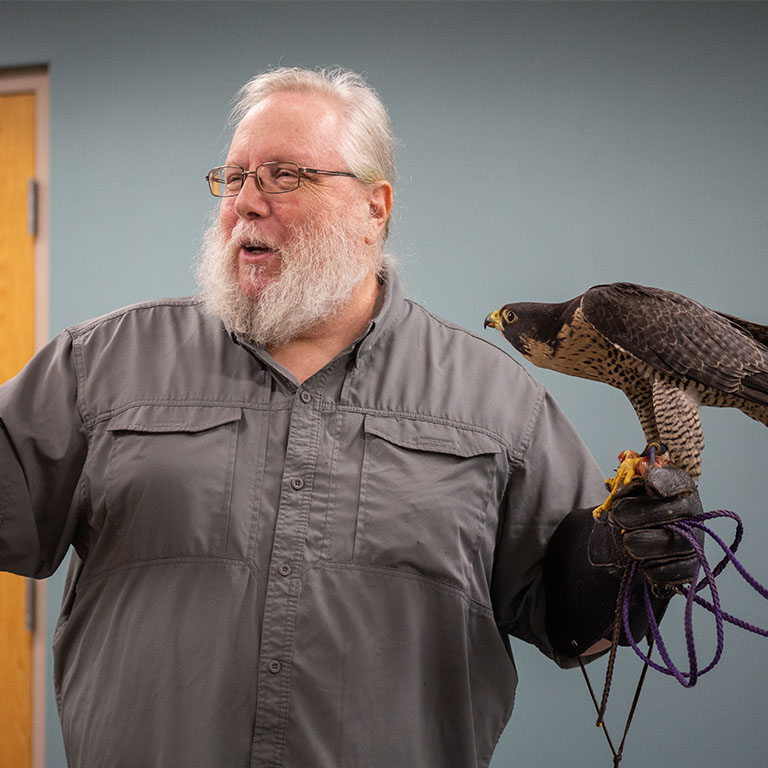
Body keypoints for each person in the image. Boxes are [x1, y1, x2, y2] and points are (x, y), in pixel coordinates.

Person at [0, 67, 701, 767]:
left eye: (284, 177)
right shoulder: (100, 366)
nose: (246, 202)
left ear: (375, 207)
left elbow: (579, 618)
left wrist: (623, 564)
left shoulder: (497, 405)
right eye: (234, 177)